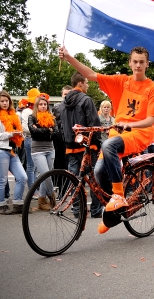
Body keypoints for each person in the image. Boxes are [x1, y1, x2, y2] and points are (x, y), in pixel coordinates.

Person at [59, 45, 154, 234]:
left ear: (147, 64)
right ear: (130, 63)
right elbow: (90, 75)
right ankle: (113, 213)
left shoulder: (152, 87)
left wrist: (131, 125)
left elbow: (151, 119)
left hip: (140, 133)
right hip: (118, 132)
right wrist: (68, 57)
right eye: (135, 61)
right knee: (98, 172)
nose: (138, 65)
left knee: (108, 145)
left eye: (142, 62)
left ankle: (119, 196)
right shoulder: (121, 81)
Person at [60, 72, 104, 219]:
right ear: (80, 83)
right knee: (93, 178)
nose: (88, 85)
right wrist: (97, 142)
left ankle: (77, 210)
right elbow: (94, 123)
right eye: (86, 82)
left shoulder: (63, 103)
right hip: (87, 146)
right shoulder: (86, 100)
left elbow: (62, 126)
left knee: (74, 179)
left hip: (70, 146)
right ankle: (96, 210)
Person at [0, 89, 27, 214]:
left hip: (11, 151)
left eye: (7, 101)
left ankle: (17, 204)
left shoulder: (13, 116)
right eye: (2, 101)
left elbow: (16, 133)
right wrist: (10, 134)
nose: (5, 103)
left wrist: (20, 135)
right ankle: (1, 205)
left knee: (22, 177)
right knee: (2, 180)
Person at [28, 93, 59, 211]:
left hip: (50, 149)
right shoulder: (32, 117)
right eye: (40, 104)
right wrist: (48, 130)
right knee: (46, 175)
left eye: (45, 104)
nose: (43, 106)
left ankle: (41, 200)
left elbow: (56, 133)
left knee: (45, 175)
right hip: (37, 150)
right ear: (37, 106)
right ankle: (52, 199)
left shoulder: (51, 117)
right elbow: (33, 132)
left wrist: (41, 129)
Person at [21, 88, 40, 195]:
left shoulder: (36, 111)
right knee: (31, 165)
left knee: (35, 166)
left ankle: (35, 188)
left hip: (37, 139)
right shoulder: (27, 111)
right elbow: (25, 128)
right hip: (30, 139)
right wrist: (37, 129)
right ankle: (32, 190)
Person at [52, 85, 72, 170]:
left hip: (70, 137)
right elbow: (53, 122)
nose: (66, 96)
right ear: (62, 95)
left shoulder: (74, 107)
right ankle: (59, 181)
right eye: (65, 94)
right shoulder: (57, 107)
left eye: (69, 94)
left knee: (70, 160)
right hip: (59, 138)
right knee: (59, 160)